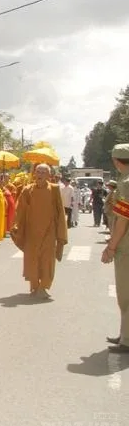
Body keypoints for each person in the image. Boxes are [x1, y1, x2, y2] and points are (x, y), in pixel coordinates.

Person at [11, 164, 68, 299]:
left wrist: (61, 232)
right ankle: (35, 286)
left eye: (44, 172)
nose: (41, 174)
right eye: (38, 171)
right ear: (34, 174)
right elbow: (20, 210)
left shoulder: (54, 189)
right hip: (32, 232)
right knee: (32, 260)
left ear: (49, 175)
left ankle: (44, 287)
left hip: (49, 231)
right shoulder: (27, 190)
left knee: (47, 260)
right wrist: (17, 225)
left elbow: (60, 211)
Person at [102, 145, 129, 353]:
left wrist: (111, 247)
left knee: (125, 294)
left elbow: (122, 219)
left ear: (116, 161)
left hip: (126, 247)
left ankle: (127, 339)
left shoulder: (125, 184)